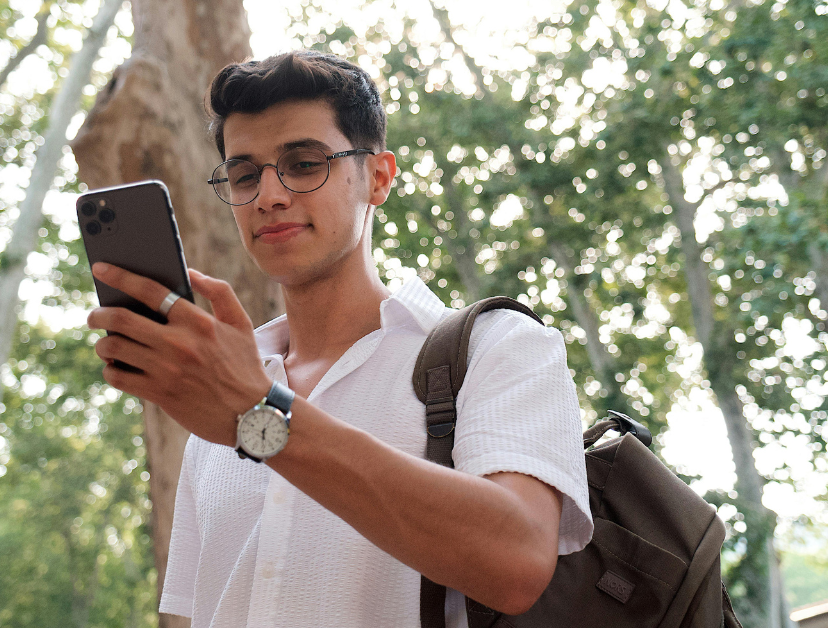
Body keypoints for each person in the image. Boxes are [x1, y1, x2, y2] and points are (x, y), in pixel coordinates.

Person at [85, 50, 593, 628]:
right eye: (245, 174)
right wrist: (245, 399)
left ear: (378, 177)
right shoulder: (225, 384)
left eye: (303, 163)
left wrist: (263, 416)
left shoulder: (497, 346)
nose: (269, 195)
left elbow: (519, 560)